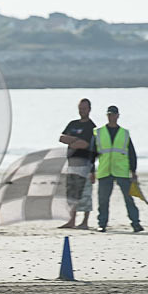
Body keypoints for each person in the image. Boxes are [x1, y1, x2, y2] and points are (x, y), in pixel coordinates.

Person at [90, 105, 143, 233]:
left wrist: (133, 171)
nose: (111, 117)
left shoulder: (124, 133)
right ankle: (102, 224)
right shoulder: (98, 132)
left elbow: (131, 153)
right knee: (103, 199)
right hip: (105, 170)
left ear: (118, 116)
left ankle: (136, 223)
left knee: (128, 199)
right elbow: (92, 153)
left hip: (122, 170)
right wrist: (91, 171)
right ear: (107, 116)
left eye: (113, 114)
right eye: (109, 115)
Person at [58, 98, 96, 229]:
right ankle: (71, 220)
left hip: (85, 164)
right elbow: (61, 138)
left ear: (89, 109)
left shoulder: (91, 127)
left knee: (85, 194)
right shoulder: (73, 124)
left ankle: (85, 222)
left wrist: (72, 141)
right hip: (72, 163)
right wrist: (75, 140)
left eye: (84, 108)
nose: (82, 111)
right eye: (80, 108)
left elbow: (85, 144)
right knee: (71, 194)